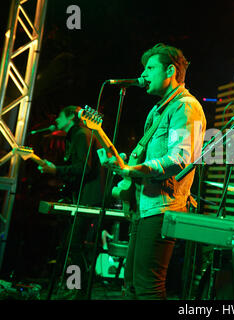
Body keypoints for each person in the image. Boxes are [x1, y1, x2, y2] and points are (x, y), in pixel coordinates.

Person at [103, 43, 206, 300]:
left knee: (148, 285)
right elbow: (150, 159)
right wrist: (126, 164)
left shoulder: (185, 106)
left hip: (163, 208)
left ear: (170, 70)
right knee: (132, 286)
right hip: (144, 206)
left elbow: (180, 158)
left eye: (150, 68)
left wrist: (135, 168)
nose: (144, 74)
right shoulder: (158, 110)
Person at [38, 105, 104, 299]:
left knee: (73, 246)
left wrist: (56, 170)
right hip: (84, 197)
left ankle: (76, 291)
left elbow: (84, 167)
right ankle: (73, 288)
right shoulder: (78, 135)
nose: (56, 120)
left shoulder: (81, 134)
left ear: (70, 117)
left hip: (88, 199)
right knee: (70, 245)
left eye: (59, 115)